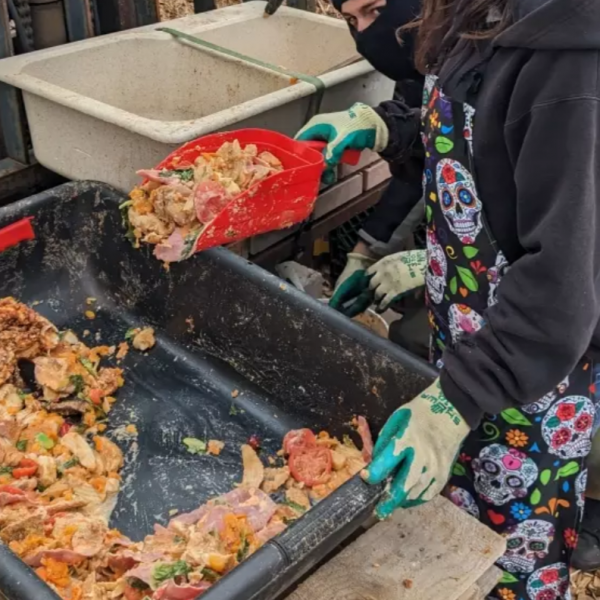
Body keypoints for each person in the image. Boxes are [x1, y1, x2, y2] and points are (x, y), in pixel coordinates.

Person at [296, 1, 600, 598]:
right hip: (467, 345)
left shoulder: (570, 72)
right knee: (461, 537)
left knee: (512, 559)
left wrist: (457, 399)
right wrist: (389, 127)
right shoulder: (483, 14)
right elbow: (475, 138)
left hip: (532, 381)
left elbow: (563, 285)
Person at [327, 0, 425, 321]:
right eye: (351, 20)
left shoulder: (528, 65)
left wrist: (438, 267)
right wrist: (363, 254)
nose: (366, 33)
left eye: (376, 10)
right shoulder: (421, 61)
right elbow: (421, 170)